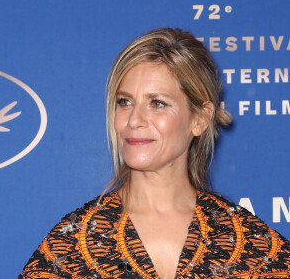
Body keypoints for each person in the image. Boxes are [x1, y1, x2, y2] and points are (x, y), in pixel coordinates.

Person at [19, 28, 290, 279]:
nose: (134, 119)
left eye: (157, 103)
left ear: (199, 119)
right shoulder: (72, 245)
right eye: (124, 102)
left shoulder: (249, 244)